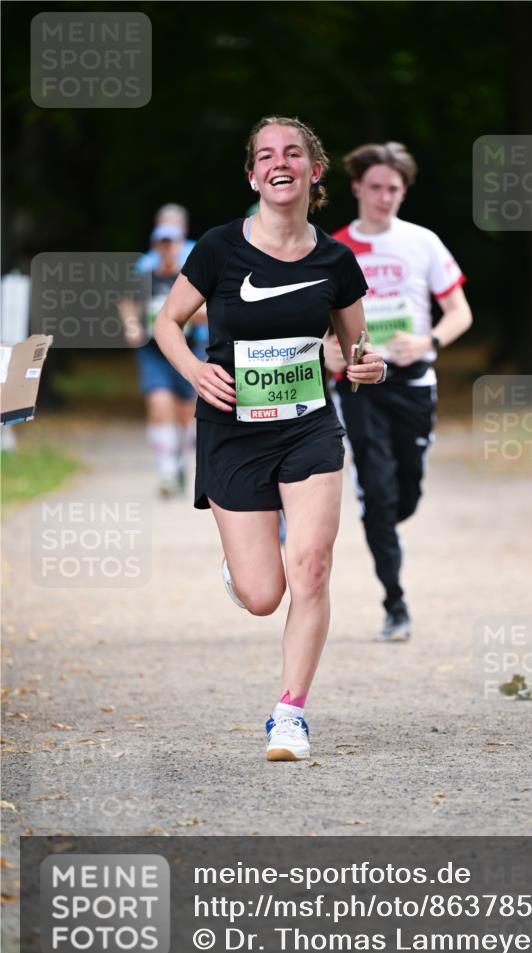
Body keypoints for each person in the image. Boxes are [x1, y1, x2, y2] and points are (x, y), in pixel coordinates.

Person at [153, 116, 385, 761]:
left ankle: (290, 714)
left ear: (314, 170)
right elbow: (167, 324)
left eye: (293, 153)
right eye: (265, 155)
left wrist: (369, 365)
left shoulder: (338, 260)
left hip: (309, 427)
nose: (279, 163)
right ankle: (243, 566)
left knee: (311, 566)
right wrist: (196, 371)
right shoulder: (222, 248)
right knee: (264, 595)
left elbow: (354, 351)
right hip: (232, 432)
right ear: (253, 174)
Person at [324, 141, 472, 642]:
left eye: (393, 189)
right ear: (357, 188)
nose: (384, 198)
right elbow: (317, 327)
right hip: (359, 387)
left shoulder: (422, 242)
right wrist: (328, 351)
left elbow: (460, 313)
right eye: (375, 188)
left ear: (403, 192)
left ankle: (392, 508)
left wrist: (427, 341)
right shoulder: (334, 248)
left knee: (405, 492)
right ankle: (395, 602)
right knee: (378, 495)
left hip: (413, 384)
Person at [120, 225, 208, 497]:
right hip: (152, 352)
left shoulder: (189, 278)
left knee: (187, 416)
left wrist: (180, 318)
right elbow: (127, 303)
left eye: (172, 243)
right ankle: (167, 473)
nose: (167, 249)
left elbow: (207, 311)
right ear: (156, 247)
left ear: (181, 246)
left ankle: (181, 461)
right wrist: (132, 325)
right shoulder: (145, 277)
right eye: (163, 244)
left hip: (186, 350)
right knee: (158, 404)